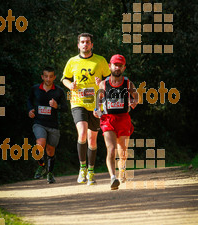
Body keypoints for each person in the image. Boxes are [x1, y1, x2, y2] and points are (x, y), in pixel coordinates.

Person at [62, 33, 110, 185]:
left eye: (88, 42)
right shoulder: (72, 61)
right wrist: (70, 85)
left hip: (96, 103)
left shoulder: (100, 60)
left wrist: (101, 82)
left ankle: (91, 171)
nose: (85, 44)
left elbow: (110, 80)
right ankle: (82, 168)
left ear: (92, 45)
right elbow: (64, 78)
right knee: (82, 133)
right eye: (82, 42)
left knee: (92, 140)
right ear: (78, 45)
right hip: (78, 101)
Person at [94, 55, 139, 190]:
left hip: (124, 118)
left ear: (124, 68)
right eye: (115, 65)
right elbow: (98, 99)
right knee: (111, 149)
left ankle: (122, 170)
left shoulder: (128, 83)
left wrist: (134, 101)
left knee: (122, 151)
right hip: (108, 119)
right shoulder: (104, 84)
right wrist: (97, 109)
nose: (117, 67)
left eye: (120, 65)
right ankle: (113, 178)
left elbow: (136, 96)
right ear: (110, 66)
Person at [27, 66, 68, 183]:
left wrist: (56, 106)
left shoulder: (59, 91)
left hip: (53, 125)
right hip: (39, 123)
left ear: (54, 77)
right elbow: (29, 100)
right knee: (40, 143)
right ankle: (41, 165)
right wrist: (30, 110)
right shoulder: (35, 89)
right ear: (42, 77)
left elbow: (65, 108)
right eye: (46, 76)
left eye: (51, 76)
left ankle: (49, 173)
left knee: (50, 150)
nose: (48, 79)